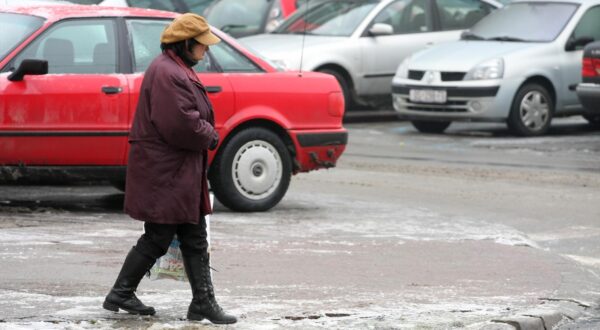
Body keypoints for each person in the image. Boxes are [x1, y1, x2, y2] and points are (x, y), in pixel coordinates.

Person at [102, 13, 236, 325]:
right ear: (185, 43)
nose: (206, 51)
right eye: (202, 45)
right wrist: (210, 135)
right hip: (167, 172)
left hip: (176, 171)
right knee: (160, 236)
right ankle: (121, 293)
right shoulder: (168, 73)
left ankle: (202, 302)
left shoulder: (176, 69)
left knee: (192, 235)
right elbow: (181, 124)